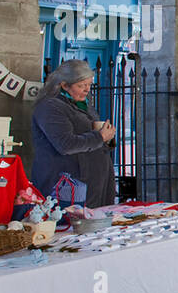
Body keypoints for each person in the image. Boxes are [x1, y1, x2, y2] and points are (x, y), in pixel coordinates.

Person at [30, 59, 117, 207]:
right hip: (70, 182)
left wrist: (107, 138)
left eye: (89, 84)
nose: (87, 89)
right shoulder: (50, 107)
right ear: (64, 85)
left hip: (94, 181)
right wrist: (100, 136)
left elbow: (91, 137)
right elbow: (65, 144)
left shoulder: (83, 104)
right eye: (81, 85)